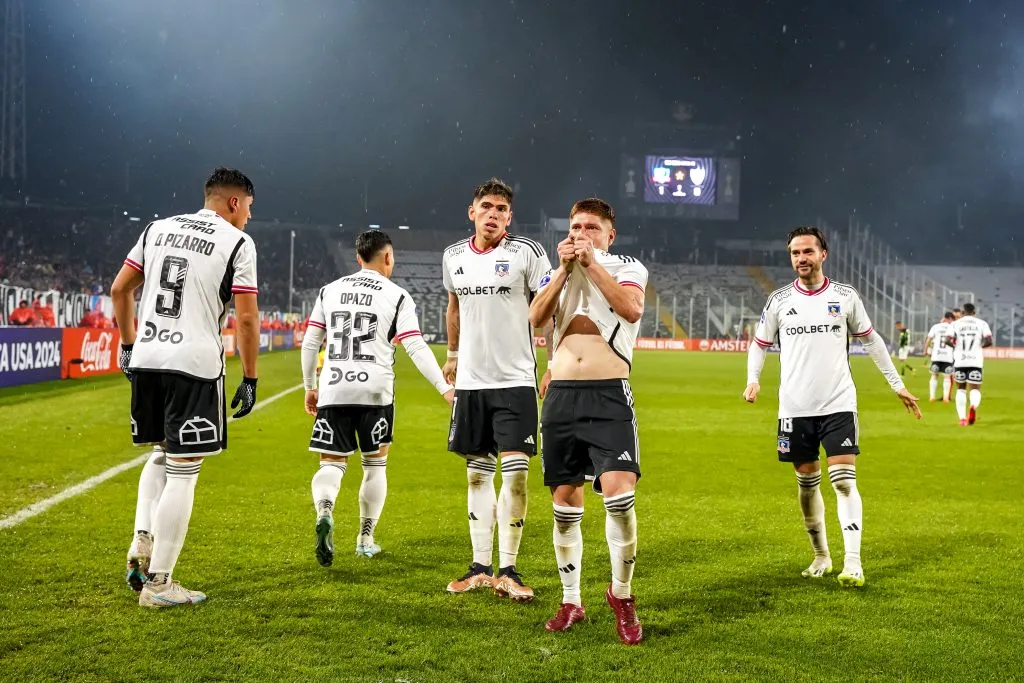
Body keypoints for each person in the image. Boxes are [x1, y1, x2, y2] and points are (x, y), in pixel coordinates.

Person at [111, 168, 261, 608]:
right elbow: (247, 318)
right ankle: (160, 583)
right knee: (184, 467)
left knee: (161, 451)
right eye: (249, 208)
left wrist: (126, 345)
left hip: (148, 358)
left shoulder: (157, 228)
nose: (250, 217)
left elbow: (121, 289)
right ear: (234, 202)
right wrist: (250, 377)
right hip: (193, 364)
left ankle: (142, 537)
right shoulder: (237, 243)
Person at [743, 226, 920, 589]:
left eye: (808, 251)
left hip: (838, 403)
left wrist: (897, 384)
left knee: (842, 481)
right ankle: (821, 555)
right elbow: (759, 343)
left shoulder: (845, 296)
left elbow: (872, 341)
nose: (801, 259)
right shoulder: (778, 300)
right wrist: (753, 378)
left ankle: (853, 562)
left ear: (824, 254)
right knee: (807, 483)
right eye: (795, 253)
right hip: (794, 407)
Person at [528, 197, 647, 645]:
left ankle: (622, 595)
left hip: (609, 394)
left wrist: (592, 264)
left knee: (620, 496)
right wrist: (562, 271)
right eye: (576, 226)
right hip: (561, 397)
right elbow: (537, 319)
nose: (582, 233)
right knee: (564, 504)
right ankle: (571, 599)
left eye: (592, 227)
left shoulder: (626, 267)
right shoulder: (555, 271)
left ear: (609, 235)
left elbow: (631, 310)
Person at [300, 229, 454, 566]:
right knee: (374, 465)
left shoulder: (329, 291)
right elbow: (415, 345)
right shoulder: (397, 295)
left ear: (358, 258)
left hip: (334, 388)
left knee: (332, 463)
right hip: (375, 390)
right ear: (387, 257)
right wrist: (445, 388)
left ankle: (325, 511)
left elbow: (311, 343)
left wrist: (310, 386)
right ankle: (365, 539)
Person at [440, 177, 552, 601]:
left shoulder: (526, 253)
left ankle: (510, 568)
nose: (494, 214)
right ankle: (480, 567)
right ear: (472, 211)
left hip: (515, 381)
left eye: (502, 209)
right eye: (487, 206)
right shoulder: (453, 256)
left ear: (510, 217)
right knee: (475, 475)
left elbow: (548, 309)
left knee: (518, 476)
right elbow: (453, 308)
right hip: (471, 382)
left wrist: (554, 361)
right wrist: (451, 354)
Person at [947, 302, 993, 426]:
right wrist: (979, 347)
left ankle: (962, 419)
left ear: (962, 312)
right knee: (975, 389)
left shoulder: (955, 324)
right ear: (974, 312)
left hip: (960, 360)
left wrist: (956, 347)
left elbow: (947, 340)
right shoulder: (982, 323)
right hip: (975, 361)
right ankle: (972, 406)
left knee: (961, 389)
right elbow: (989, 341)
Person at [923, 312, 955, 403]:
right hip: (948, 356)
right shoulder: (952, 327)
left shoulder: (935, 327)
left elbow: (928, 338)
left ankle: (932, 397)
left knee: (934, 375)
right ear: (949, 318)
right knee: (947, 377)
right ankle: (945, 398)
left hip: (936, 355)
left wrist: (925, 350)